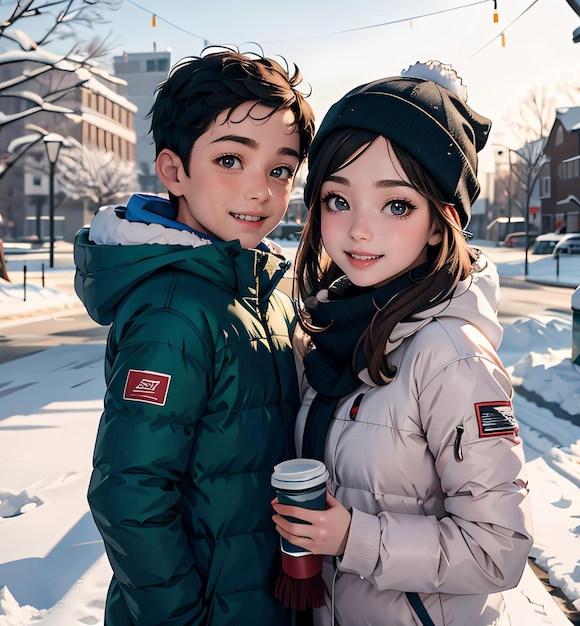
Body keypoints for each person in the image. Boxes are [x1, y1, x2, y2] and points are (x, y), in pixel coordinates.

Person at [272, 60, 533, 625]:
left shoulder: (450, 356)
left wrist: (354, 537)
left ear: (441, 222)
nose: (359, 229)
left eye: (396, 204)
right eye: (338, 200)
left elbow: (499, 550)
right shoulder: (329, 331)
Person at [74, 47, 315, 625]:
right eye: (232, 160)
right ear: (174, 169)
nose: (261, 190)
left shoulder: (261, 294)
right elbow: (128, 494)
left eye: (280, 169)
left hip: (259, 595)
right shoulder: (173, 313)